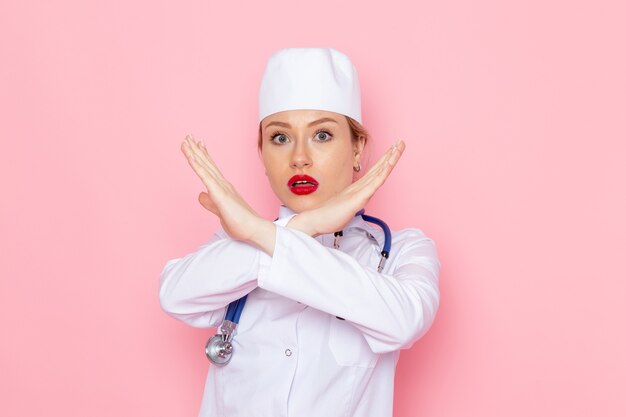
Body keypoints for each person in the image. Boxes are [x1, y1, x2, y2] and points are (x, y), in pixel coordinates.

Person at [159, 47, 441, 417]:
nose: (299, 157)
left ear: (357, 149)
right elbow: (175, 294)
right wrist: (303, 227)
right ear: (262, 154)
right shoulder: (235, 243)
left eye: (322, 135)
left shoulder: (404, 251)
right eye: (280, 138)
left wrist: (268, 236)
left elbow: (402, 322)